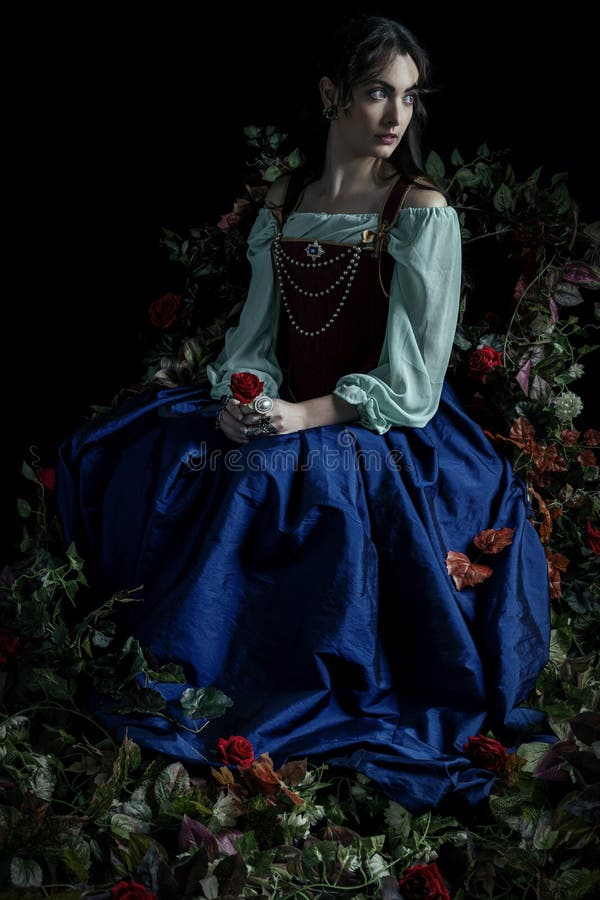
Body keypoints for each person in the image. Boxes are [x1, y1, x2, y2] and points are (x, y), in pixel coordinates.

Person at [56, 14, 551, 814]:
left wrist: (302, 417)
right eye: (375, 94)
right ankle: (186, 668)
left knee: (279, 477)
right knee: (154, 450)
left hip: (384, 429)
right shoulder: (286, 202)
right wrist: (242, 402)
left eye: (408, 98)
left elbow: (414, 382)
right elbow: (254, 340)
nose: (395, 117)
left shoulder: (418, 208)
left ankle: (281, 684)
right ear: (330, 96)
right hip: (289, 406)